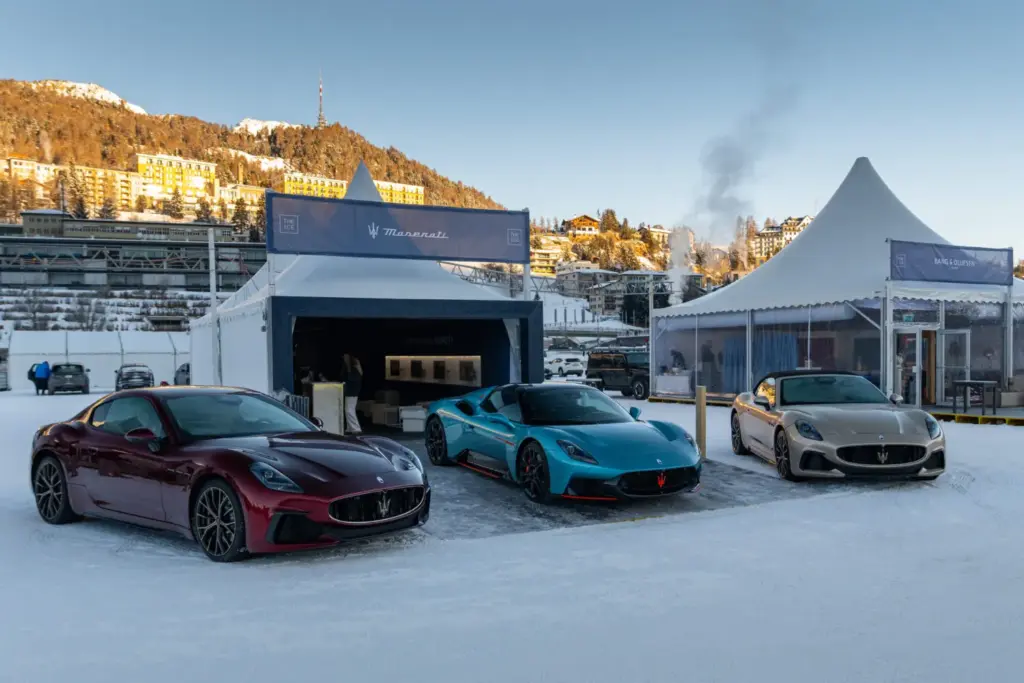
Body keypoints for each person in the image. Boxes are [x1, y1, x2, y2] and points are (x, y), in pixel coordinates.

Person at [342, 353, 363, 435]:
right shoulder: (354, 369)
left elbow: (352, 379)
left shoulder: (354, 369)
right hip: (351, 392)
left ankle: (355, 428)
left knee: (349, 410)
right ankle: (350, 428)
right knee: (348, 409)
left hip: (352, 392)